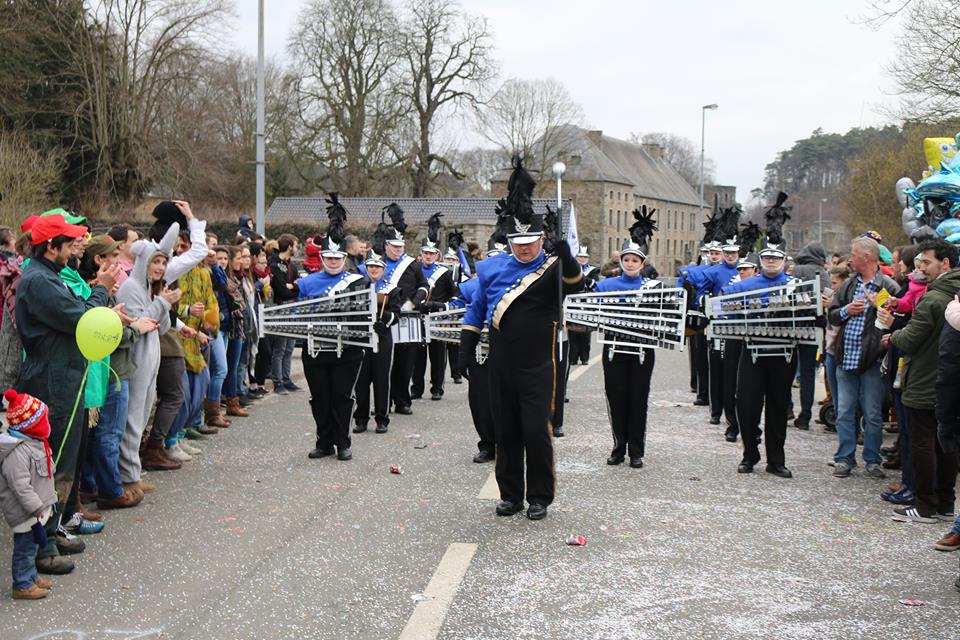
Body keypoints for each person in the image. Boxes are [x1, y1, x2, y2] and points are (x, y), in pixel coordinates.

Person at [458, 157, 584, 520]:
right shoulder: (491, 267)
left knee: (534, 430)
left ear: (541, 238)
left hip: (537, 366)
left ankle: (540, 495)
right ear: (509, 240)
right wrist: (465, 352)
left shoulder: (553, 267)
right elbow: (477, 309)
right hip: (500, 364)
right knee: (506, 431)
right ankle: (510, 494)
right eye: (518, 242)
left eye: (531, 241)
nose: (525, 248)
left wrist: (568, 258)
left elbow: (577, 287)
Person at [16, 213, 118, 575]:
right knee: (51, 467)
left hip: (64, 377)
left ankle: (53, 531)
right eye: (69, 242)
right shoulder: (39, 281)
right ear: (51, 246)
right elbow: (85, 320)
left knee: (65, 465)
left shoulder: (51, 276)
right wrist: (102, 288)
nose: (77, 247)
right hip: (51, 382)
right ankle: (42, 551)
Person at [878, 239, 960, 523]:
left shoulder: (934, 297)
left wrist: (893, 333)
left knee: (923, 442)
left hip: (926, 379)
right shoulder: (953, 294)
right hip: (948, 380)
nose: (920, 267)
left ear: (945, 263)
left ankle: (925, 505)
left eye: (926, 262)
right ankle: (946, 504)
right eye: (919, 262)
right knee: (945, 442)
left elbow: (911, 338)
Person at [827, 237, 899, 479]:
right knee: (845, 412)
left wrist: (881, 307)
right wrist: (848, 310)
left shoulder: (887, 285)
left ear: (867, 257)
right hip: (845, 359)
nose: (850, 258)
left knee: (872, 415)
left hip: (872, 360)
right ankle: (844, 458)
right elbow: (832, 315)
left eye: (854, 254)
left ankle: (872, 459)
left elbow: (899, 319)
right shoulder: (848, 285)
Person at [298, 221, 368, 461]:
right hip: (315, 348)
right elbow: (297, 313)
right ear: (322, 257)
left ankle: (343, 442)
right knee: (319, 397)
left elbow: (362, 313)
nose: (334, 262)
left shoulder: (357, 282)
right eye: (329, 258)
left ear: (344, 258)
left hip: (347, 350)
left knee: (342, 396)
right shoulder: (306, 283)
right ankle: (324, 442)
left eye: (338, 258)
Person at [727, 240, 797, 478]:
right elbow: (723, 306)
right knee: (746, 404)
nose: (771, 261)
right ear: (760, 261)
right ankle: (750, 454)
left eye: (776, 258)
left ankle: (776, 460)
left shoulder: (796, 285)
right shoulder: (746, 285)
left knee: (778, 408)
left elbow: (813, 313)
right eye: (767, 258)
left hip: (784, 353)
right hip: (753, 351)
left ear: (784, 261)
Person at [116, 227, 180, 479]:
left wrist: (165, 302)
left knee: (142, 416)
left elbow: (161, 327)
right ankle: (128, 477)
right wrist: (162, 303)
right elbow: (140, 324)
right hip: (136, 360)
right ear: (144, 262)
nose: (161, 267)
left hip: (150, 360)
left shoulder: (149, 289)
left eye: (164, 262)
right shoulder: (131, 287)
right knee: (132, 419)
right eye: (156, 261)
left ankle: (133, 472)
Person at [595, 211, 657, 468]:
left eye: (635, 260)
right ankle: (618, 446)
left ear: (643, 263)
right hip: (614, 348)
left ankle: (636, 450)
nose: (630, 264)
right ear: (620, 261)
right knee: (616, 397)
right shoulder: (605, 286)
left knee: (638, 399)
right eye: (626, 260)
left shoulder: (653, 289)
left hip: (642, 350)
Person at [0, 389, 58, 599]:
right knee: (25, 548)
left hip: (36, 510)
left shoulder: (35, 443)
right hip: (26, 512)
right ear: (31, 426)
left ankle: (31, 575)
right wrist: (36, 507)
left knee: (32, 547)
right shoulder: (17, 453)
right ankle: (22, 584)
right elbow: (20, 486)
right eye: (43, 419)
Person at [380, 205, 429, 416]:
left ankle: (402, 401)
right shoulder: (377, 264)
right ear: (386, 245)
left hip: (408, 318)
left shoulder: (412, 265)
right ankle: (383, 402)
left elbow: (424, 286)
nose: (399, 249)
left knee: (405, 362)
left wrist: (415, 302)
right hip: (384, 318)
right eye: (394, 246)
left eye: (401, 246)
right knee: (382, 364)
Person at [353, 251, 401, 434]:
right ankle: (361, 419)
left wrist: (385, 321)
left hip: (383, 337)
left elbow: (397, 315)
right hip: (362, 337)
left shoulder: (392, 289)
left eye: (377, 267)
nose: (374, 269)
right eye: (370, 266)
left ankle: (382, 419)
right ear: (366, 268)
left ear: (384, 269)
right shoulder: (358, 287)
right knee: (361, 379)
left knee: (382, 379)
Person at [411, 225, 456, 402]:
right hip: (418, 317)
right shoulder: (414, 270)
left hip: (436, 318)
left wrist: (439, 305)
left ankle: (437, 388)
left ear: (437, 255)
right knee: (417, 356)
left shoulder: (445, 273)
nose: (428, 256)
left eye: (432, 253)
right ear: (421, 253)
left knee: (438, 356)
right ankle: (417, 388)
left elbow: (455, 296)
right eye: (425, 253)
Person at [791, 241, 830, 430]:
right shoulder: (823, 273)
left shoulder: (795, 270)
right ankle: (805, 414)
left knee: (787, 371)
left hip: (790, 325)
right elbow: (827, 298)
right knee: (807, 373)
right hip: (812, 326)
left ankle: (787, 407)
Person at [268, 234, 301, 395]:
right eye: (295, 245)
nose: (297, 248)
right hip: (281, 309)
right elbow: (281, 291)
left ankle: (287, 379)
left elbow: (300, 285)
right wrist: (293, 288)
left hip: (292, 309)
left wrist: (293, 286)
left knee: (290, 347)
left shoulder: (292, 266)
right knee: (279, 348)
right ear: (289, 246)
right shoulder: (274, 264)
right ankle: (278, 382)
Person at [569, 246, 601, 365]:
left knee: (585, 334)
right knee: (572, 333)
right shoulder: (571, 269)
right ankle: (572, 358)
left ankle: (584, 358)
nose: (582, 259)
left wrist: (582, 278)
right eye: (580, 256)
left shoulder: (593, 270)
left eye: (584, 257)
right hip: (573, 304)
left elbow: (594, 285)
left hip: (587, 305)